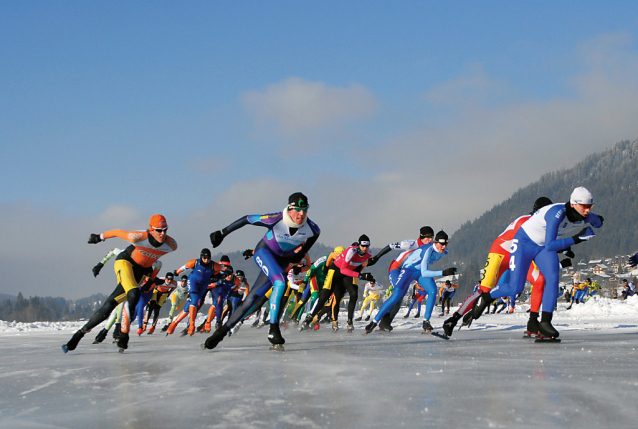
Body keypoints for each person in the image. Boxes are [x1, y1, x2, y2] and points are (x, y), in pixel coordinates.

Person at [472, 187, 603, 339]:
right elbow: (551, 245)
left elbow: (598, 222)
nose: (587, 210)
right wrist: (577, 238)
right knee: (515, 287)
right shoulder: (557, 214)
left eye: (590, 206)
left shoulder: (585, 215)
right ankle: (487, 297)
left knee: (552, 278)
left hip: (541, 247)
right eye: (584, 206)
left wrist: (598, 221)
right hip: (525, 243)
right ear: (573, 204)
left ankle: (545, 322)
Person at [204, 192, 320, 350]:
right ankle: (273, 329)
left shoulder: (313, 229)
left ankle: (220, 333)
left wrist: (297, 256)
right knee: (280, 283)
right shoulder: (277, 219)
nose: (301, 213)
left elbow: (305, 248)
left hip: (280, 261)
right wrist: (222, 233)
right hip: (264, 252)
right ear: (290, 209)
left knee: (252, 299)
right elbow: (247, 219)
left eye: (305, 210)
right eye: (298, 209)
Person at [63, 214, 178, 352]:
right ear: (151, 229)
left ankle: (78, 335)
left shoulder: (171, 245)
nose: (163, 233)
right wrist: (99, 237)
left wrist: (151, 278)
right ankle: (123, 335)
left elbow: (156, 264)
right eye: (159, 230)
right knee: (134, 294)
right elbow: (117, 232)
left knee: (110, 304)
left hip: (140, 272)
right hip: (125, 263)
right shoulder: (138, 237)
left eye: (165, 229)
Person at [442, 197, 555, 337]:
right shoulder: (526, 221)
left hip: (519, 254)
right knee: (484, 291)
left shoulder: (544, 225)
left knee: (540, 281)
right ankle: (453, 319)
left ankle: (533, 321)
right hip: (501, 253)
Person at [365, 231, 457, 333]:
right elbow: (425, 272)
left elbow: (424, 269)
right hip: (408, 270)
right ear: (435, 242)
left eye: (445, 244)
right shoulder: (423, 249)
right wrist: (443, 272)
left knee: (432, 290)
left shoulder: (444, 251)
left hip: (419, 271)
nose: (444, 247)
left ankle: (426, 321)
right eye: (441, 244)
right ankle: (374, 322)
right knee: (397, 295)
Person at [301, 235, 375, 332]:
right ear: (358, 246)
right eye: (363, 246)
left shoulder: (367, 255)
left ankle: (349, 321)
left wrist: (362, 274)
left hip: (347, 273)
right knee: (325, 296)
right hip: (336, 271)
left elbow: (361, 267)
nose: (365, 248)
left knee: (352, 294)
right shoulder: (350, 252)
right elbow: (333, 257)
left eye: (367, 246)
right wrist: (326, 268)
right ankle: (310, 317)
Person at [375, 227, 435, 331]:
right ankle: (380, 321)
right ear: (421, 237)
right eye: (428, 237)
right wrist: (376, 257)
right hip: (396, 268)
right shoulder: (411, 244)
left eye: (432, 237)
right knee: (398, 294)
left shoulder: (431, 247)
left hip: (409, 272)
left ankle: (385, 322)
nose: (430, 240)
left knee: (401, 297)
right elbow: (390, 246)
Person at [166, 249, 227, 336]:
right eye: (204, 258)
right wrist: (177, 272)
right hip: (193, 281)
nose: (206, 260)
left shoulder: (214, 265)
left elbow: (219, 270)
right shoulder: (194, 262)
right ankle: (191, 325)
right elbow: (184, 267)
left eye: (208, 258)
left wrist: (216, 276)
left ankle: (174, 323)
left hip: (203, 285)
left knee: (189, 307)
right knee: (194, 300)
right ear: (201, 257)